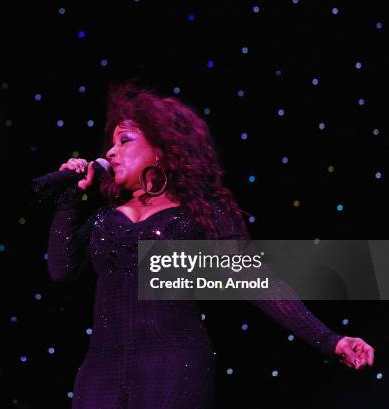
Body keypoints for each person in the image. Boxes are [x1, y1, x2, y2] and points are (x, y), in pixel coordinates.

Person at [47, 82, 374, 409]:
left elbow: (255, 282)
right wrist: (69, 199)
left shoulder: (198, 213)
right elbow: (61, 270)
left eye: (125, 140)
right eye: (111, 143)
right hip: (99, 372)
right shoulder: (105, 218)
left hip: (173, 366)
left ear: (160, 148)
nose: (110, 151)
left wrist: (329, 340)